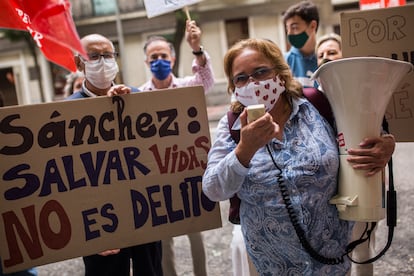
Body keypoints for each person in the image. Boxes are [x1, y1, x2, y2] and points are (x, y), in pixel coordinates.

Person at [202, 38, 394, 275]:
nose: (252, 83)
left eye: (260, 72)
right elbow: (213, 189)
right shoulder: (230, 126)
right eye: (241, 78)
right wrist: (244, 150)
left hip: (330, 259)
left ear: (280, 75)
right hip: (272, 265)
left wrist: (386, 144)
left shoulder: (317, 105)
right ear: (234, 87)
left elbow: (365, 129)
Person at [66, 33, 163, 276]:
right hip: (99, 223)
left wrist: (128, 109)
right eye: (94, 56)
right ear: (79, 63)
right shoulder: (66, 112)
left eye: (107, 55)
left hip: (144, 214)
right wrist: (86, 233)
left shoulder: (136, 97)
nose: (102, 61)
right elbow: (66, 178)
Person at [316, 32, 396, 276]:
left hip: (360, 180)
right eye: (320, 55)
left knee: (361, 250)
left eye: (331, 52)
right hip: (324, 188)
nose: (325, 57)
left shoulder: (366, 91)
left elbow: (382, 131)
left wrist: (388, 143)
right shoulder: (310, 97)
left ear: (345, 56)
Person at [139, 19, 214, 276]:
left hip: (186, 169)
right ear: (146, 62)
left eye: (163, 55)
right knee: (164, 236)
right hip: (156, 174)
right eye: (153, 56)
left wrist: (196, 48)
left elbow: (206, 79)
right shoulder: (139, 96)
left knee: (195, 232)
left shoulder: (187, 87)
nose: (158, 60)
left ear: (171, 59)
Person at [283, 0, 319, 88]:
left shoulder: (323, 58)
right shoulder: (284, 61)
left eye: (294, 27)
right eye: (287, 28)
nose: (289, 33)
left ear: (312, 26)